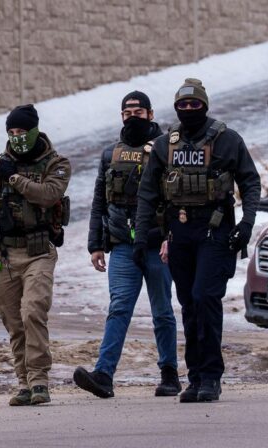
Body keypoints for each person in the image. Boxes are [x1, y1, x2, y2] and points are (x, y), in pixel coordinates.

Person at [134, 78, 261, 403]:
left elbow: (249, 181)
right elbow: (148, 193)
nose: (188, 109)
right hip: (179, 232)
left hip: (214, 231)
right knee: (189, 304)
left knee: (205, 298)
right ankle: (195, 378)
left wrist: (247, 222)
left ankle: (211, 376)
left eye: (194, 104)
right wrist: (140, 238)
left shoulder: (227, 140)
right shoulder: (165, 145)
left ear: (205, 106)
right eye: (183, 105)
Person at [0, 104, 71, 406]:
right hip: (7, 255)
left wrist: (15, 180)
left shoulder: (56, 163)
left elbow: (48, 195)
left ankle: (39, 381)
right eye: (12, 131)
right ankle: (23, 383)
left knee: (33, 310)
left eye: (22, 131)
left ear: (34, 130)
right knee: (12, 319)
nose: (17, 136)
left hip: (39, 252)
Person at [73, 91, 180, 399]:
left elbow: (177, 198)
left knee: (162, 312)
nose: (132, 117)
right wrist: (95, 245)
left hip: (157, 244)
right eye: (127, 112)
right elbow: (99, 201)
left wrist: (171, 238)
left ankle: (170, 375)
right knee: (118, 308)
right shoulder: (111, 154)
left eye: (138, 111)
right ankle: (103, 375)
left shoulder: (166, 149)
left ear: (150, 114)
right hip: (122, 245)